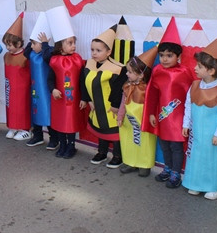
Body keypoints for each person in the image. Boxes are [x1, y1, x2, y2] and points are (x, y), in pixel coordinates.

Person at [142, 17, 195, 188]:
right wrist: (151, 113)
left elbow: (190, 95)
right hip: (162, 116)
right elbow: (152, 93)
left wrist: (189, 119)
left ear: (178, 56)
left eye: (169, 55)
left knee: (176, 146)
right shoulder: (157, 70)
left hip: (179, 118)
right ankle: (167, 167)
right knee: (164, 144)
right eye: (162, 55)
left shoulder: (184, 72)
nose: (164, 59)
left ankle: (176, 172)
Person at [182, 30, 217, 200]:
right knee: (195, 157)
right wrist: (186, 124)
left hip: (212, 135)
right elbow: (188, 106)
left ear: (211, 71)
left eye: (199, 66)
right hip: (196, 133)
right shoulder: (195, 86)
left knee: (210, 159)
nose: (195, 68)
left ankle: (212, 187)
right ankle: (195, 183)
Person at [82, 26, 126, 168]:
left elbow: (119, 90)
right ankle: (102, 152)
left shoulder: (117, 68)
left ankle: (118, 156)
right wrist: (87, 99)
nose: (94, 53)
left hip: (110, 107)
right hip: (96, 105)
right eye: (92, 50)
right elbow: (83, 82)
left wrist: (115, 105)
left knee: (114, 131)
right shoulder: (89, 63)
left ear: (108, 52)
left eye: (98, 50)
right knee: (100, 128)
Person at [45, 6, 86, 159]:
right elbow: (50, 79)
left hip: (74, 99)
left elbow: (82, 79)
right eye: (70, 43)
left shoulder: (77, 59)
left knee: (71, 123)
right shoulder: (54, 60)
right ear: (60, 46)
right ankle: (62, 145)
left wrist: (84, 98)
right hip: (59, 99)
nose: (73, 46)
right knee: (60, 123)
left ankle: (71, 146)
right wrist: (53, 89)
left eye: (74, 42)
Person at [118, 47, 158, 177]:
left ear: (141, 74)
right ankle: (130, 162)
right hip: (129, 121)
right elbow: (123, 102)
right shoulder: (127, 86)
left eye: (130, 72)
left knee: (144, 141)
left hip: (143, 121)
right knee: (129, 141)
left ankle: (144, 164)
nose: (127, 74)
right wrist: (120, 116)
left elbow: (153, 105)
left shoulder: (147, 89)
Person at [23, 13, 56, 149]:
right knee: (35, 111)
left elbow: (48, 55)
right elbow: (26, 52)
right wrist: (32, 41)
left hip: (47, 91)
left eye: (34, 43)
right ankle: (37, 136)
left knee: (48, 113)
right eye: (31, 43)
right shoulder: (31, 53)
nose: (31, 46)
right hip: (36, 90)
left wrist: (44, 44)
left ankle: (54, 139)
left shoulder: (49, 53)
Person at [2, 13, 32, 141]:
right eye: (6, 45)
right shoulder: (7, 56)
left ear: (19, 43)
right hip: (10, 87)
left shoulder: (25, 56)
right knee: (11, 106)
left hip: (22, 89)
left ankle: (24, 129)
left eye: (10, 45)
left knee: (21, 107)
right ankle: (13, 126)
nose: (8, 48)